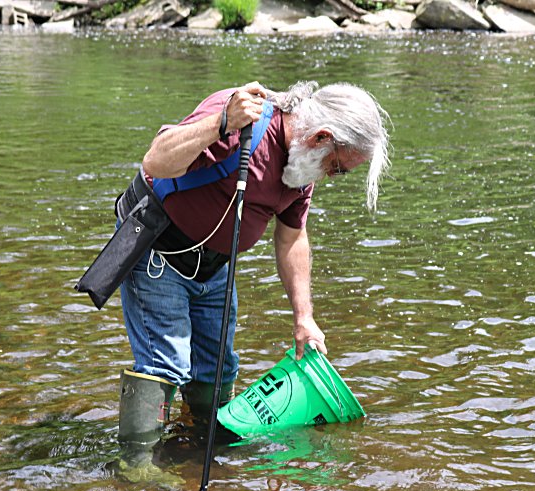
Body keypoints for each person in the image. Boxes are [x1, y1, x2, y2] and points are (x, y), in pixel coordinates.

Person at [116, 80, 389, 447]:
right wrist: (220, 124)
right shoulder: (243, 119)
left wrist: (303, 317)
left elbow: (292, 236)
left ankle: (199, 446)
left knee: (218, 370)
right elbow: (156, 159)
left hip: (215, 267)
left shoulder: (300, 167)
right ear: (321, 138)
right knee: (167, 364)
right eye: (338, 169)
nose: (332, 177)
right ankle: (138, 469)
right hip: (158, 250)